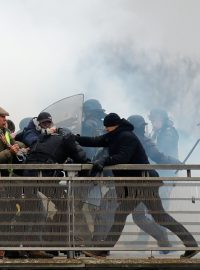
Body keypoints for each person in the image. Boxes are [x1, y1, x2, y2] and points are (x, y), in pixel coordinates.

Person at [76, 112, 198, 259]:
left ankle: (103, 250)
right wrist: (74, 138)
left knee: (122, 215)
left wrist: (103, 161)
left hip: (142, 183)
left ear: (115, 126)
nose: (106, 130)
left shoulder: (127, 136)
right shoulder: (114, 136)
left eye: (108, 127)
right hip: (139, 183)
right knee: (159, 216)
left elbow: (122, 157)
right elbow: (94, 141)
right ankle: (191, 244)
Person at [127, 115, 182, 254]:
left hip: (153, 180)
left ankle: (169, 242)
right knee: (150, 214)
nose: (152, 123)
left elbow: (159, 155)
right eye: (150, 121)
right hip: (145, 181)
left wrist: (174, 162)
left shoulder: (165, 134)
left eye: (155, 120)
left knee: (154, 213)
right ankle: (160, 242)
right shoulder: (148, 136)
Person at [0, 106, 29, 259]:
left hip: (6, 183)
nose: (5, 120)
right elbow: (7, 151)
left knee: (9, 213)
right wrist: (9, 152)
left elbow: (13, 142)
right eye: (2, 117)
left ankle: (8, 248)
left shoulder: (3, 132)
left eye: (5, 117)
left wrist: (22, 147)